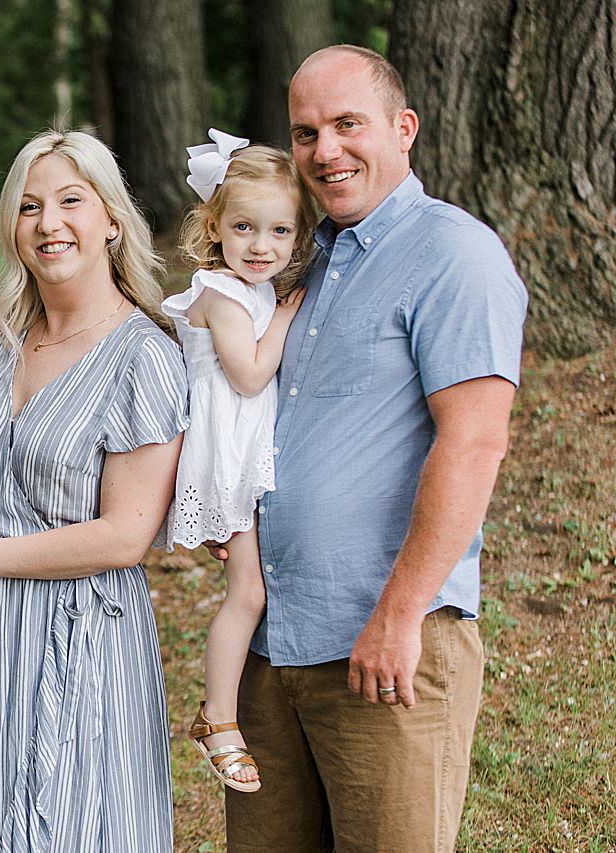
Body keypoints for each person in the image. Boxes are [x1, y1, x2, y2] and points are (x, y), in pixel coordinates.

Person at [220, 45, 528, 852]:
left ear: (404, 128)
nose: (325, 151)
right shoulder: (300, 261)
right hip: (271, 647)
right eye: (305, 132)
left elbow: (474, 442)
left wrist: (399, 615)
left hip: (385, 648)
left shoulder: (453, 255)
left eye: (346, 124)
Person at [0, 129, 188, 852]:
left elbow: (124, 534)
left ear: (111, 219)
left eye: (71, 200)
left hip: (81, 630)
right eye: (30, 205)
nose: (49, 222)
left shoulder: (145, 358)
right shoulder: (2, 334)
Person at [163, 132, 317, 793]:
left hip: (246, 450)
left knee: (253, 587)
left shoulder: (245, 289)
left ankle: (230, 711)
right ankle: (217, 717)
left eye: (279, 230)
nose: (262, 245)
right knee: (246, 592)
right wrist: (288, 313)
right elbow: (250, 375)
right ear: (214, 226)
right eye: (245, 227)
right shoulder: (222, 294)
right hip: (224, 456)